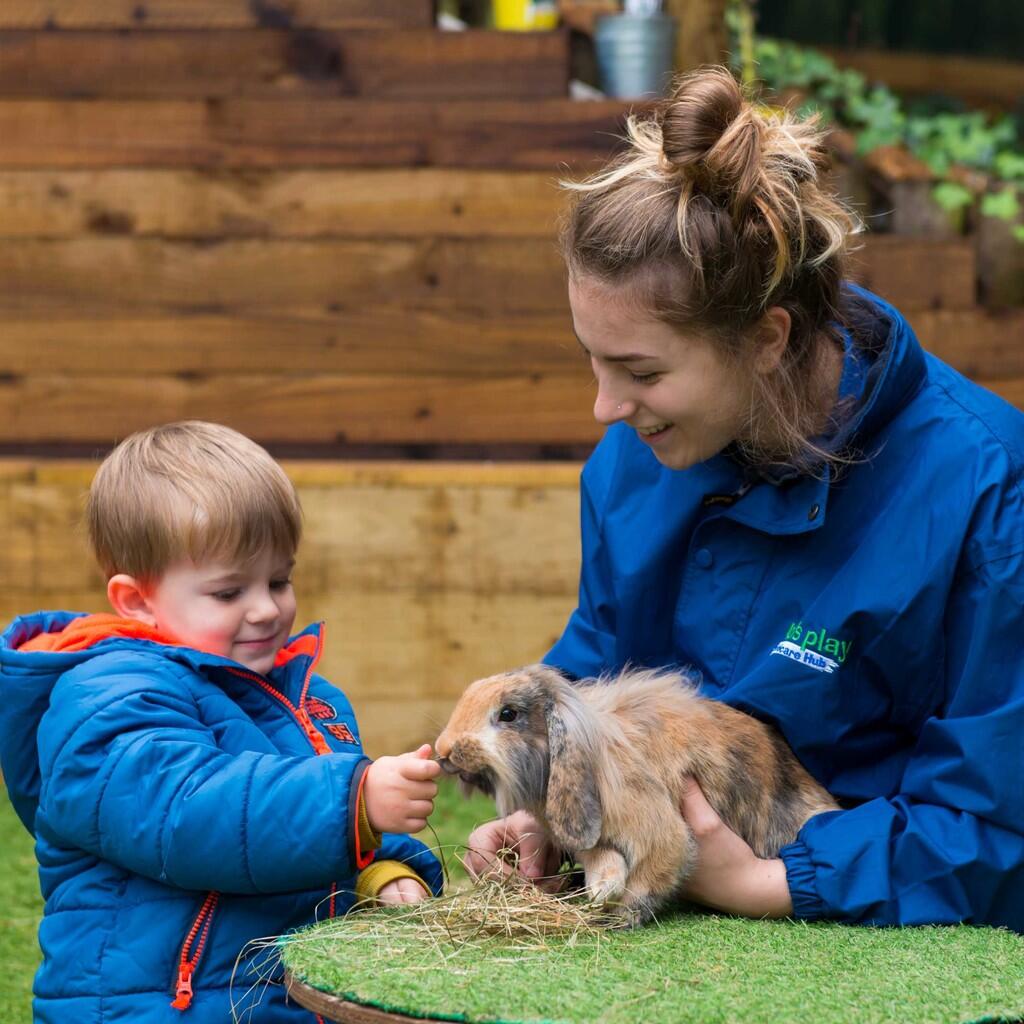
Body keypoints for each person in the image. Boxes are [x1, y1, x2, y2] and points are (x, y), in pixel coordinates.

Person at [464, 66, 1024, 931]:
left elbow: (995, 822)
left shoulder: (986, 486)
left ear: (768, 339)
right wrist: (551, 812)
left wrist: (773, 883)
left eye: (642, 371)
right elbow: (596, 674)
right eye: (593, 358)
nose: (605, 410)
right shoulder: (633, 457)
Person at [0, 421, 443, 1023]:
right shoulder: (106, 697)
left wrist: (382, 867)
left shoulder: (312, 699)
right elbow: (191, 812)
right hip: (160, 1010)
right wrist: (353, 803)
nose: (266, 609)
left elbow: (313, 840)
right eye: (229, 590)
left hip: (274, 1001)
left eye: (279, 580)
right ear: (136, 600)